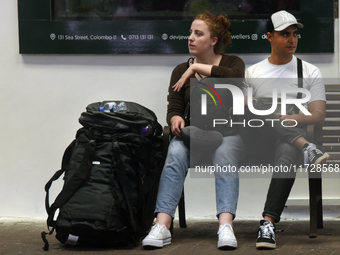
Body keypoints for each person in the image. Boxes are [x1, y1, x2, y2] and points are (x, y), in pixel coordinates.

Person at [142, 12, 246, 249]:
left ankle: (225, 226)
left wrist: (197, 68)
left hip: (228, 134)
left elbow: (236, 79)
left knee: (224, 155)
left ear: (213, 40)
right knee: (175, 153)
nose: (190, 38)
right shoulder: (180, 70)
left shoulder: (233, 63)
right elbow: (174, 106)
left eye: (198, 34)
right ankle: (162, 225)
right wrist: (176, 117)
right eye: (190, 32)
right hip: (193, 135)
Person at [242, 10, 329, 249]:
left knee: (288, 149)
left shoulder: (309, 71)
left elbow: (319, 116)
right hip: (258, 139)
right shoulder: (253, 72)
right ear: (269, 37)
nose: (292, 39)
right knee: (254, 108)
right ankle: (307, 147)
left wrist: (291, 118)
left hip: (286, 141)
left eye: (294, 34)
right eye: (284, 34)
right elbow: (248, 114)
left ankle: (267, 223)